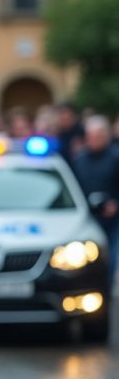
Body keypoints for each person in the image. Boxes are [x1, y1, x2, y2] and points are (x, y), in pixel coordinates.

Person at [71, 115, 119, 290]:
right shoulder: (79, 160)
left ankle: (106, 289)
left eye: (98, 136)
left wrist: (115, 204)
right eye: (91, 136)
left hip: (113, 221)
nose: (94, 140)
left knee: (112, 257)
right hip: (88, 218)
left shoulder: (116, 157)